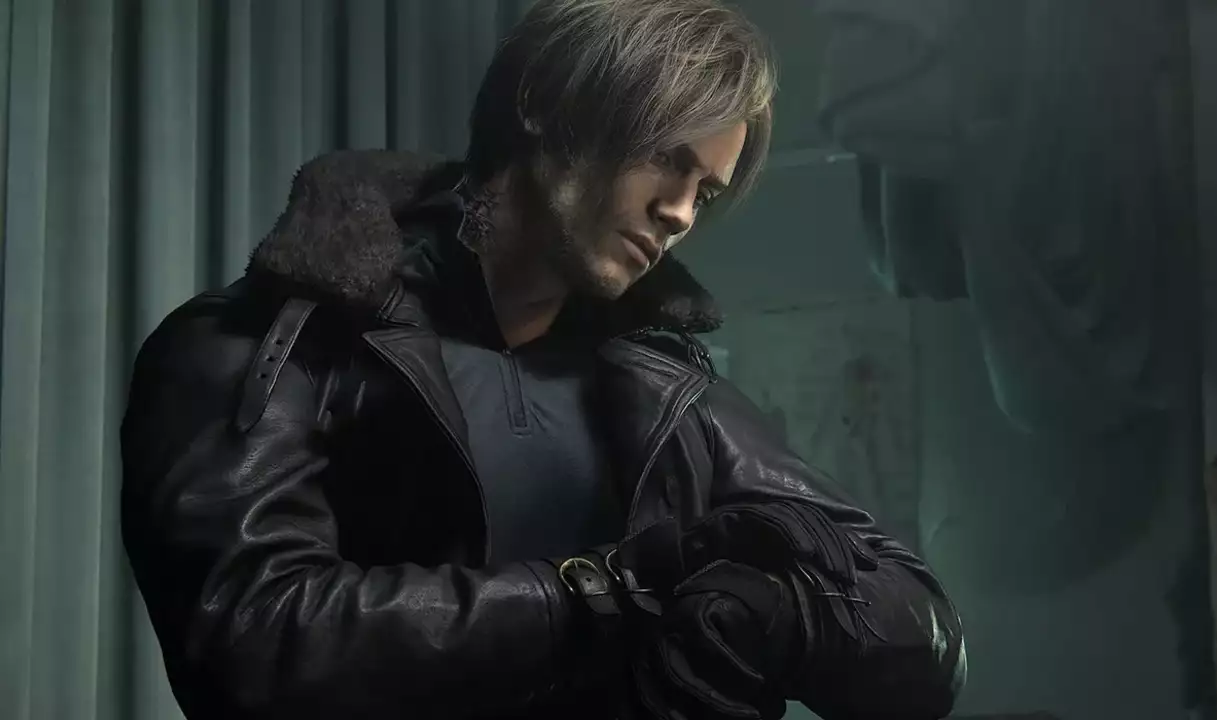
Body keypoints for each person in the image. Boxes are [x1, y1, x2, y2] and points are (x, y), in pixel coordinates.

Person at [119, 1, 967, 718]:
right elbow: (253, 638)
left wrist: (771, 611)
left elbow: (923, 633)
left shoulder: (666, 389)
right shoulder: (268, 345)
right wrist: (600, 593)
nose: (680, 212)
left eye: (704, 191)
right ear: (542, 104)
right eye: (666, 158)